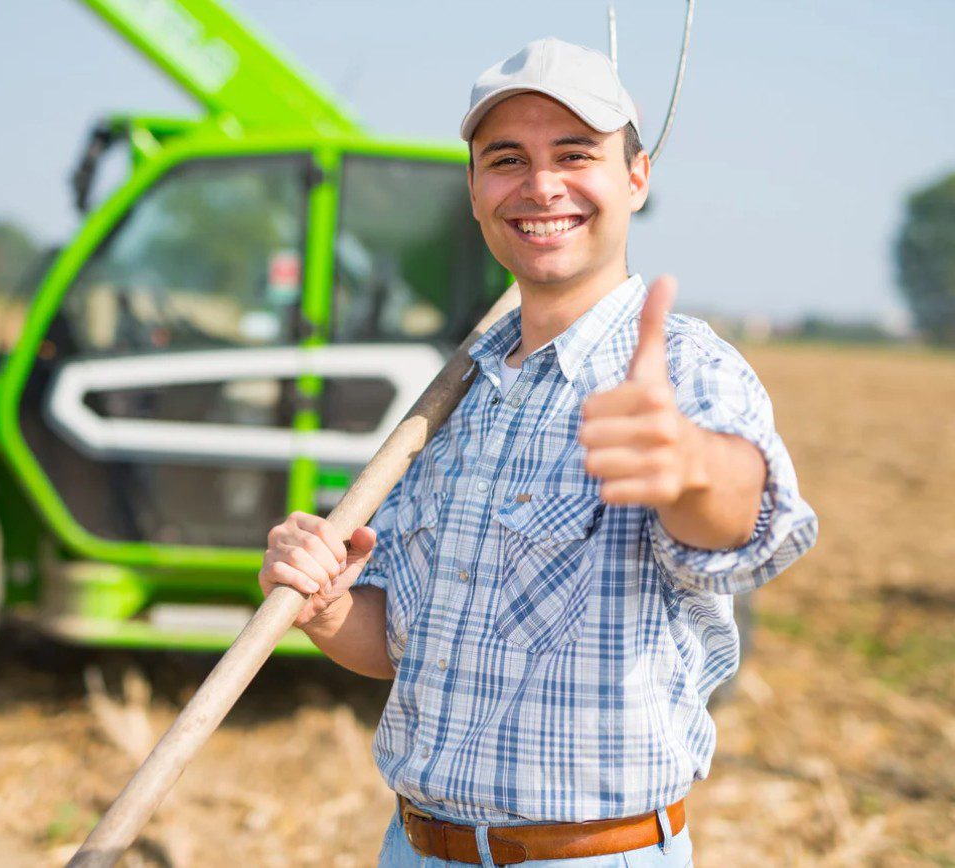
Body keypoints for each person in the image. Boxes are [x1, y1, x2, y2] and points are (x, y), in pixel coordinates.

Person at [258, 37, 819, 867]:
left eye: (576, 154)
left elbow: (746, 521)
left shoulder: (684, 369)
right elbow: (399, 646)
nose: (541, 185)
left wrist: (691, 467)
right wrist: (328, 605)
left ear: (635, 178)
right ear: (477, 192)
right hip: (414, 846)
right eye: (506, 159)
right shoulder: (454, 397)